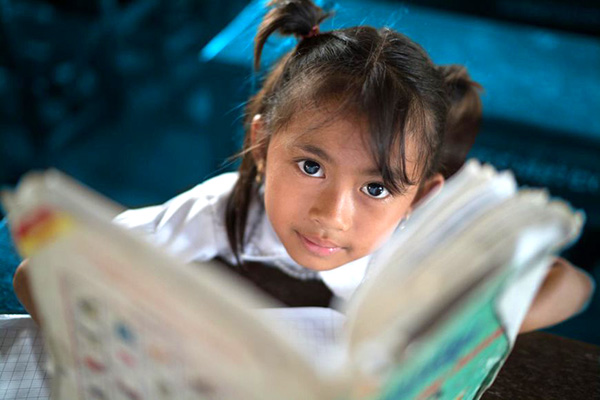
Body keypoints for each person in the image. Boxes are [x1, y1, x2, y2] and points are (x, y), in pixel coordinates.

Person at [12, 0, 593, 332]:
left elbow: (570, 285)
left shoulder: (420, 243)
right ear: (262, 144)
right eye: (311, 167)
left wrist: (481, 329)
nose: (331, 215)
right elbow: (36, 275)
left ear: (420, 197)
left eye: (375, 186)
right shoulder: (221, 212)